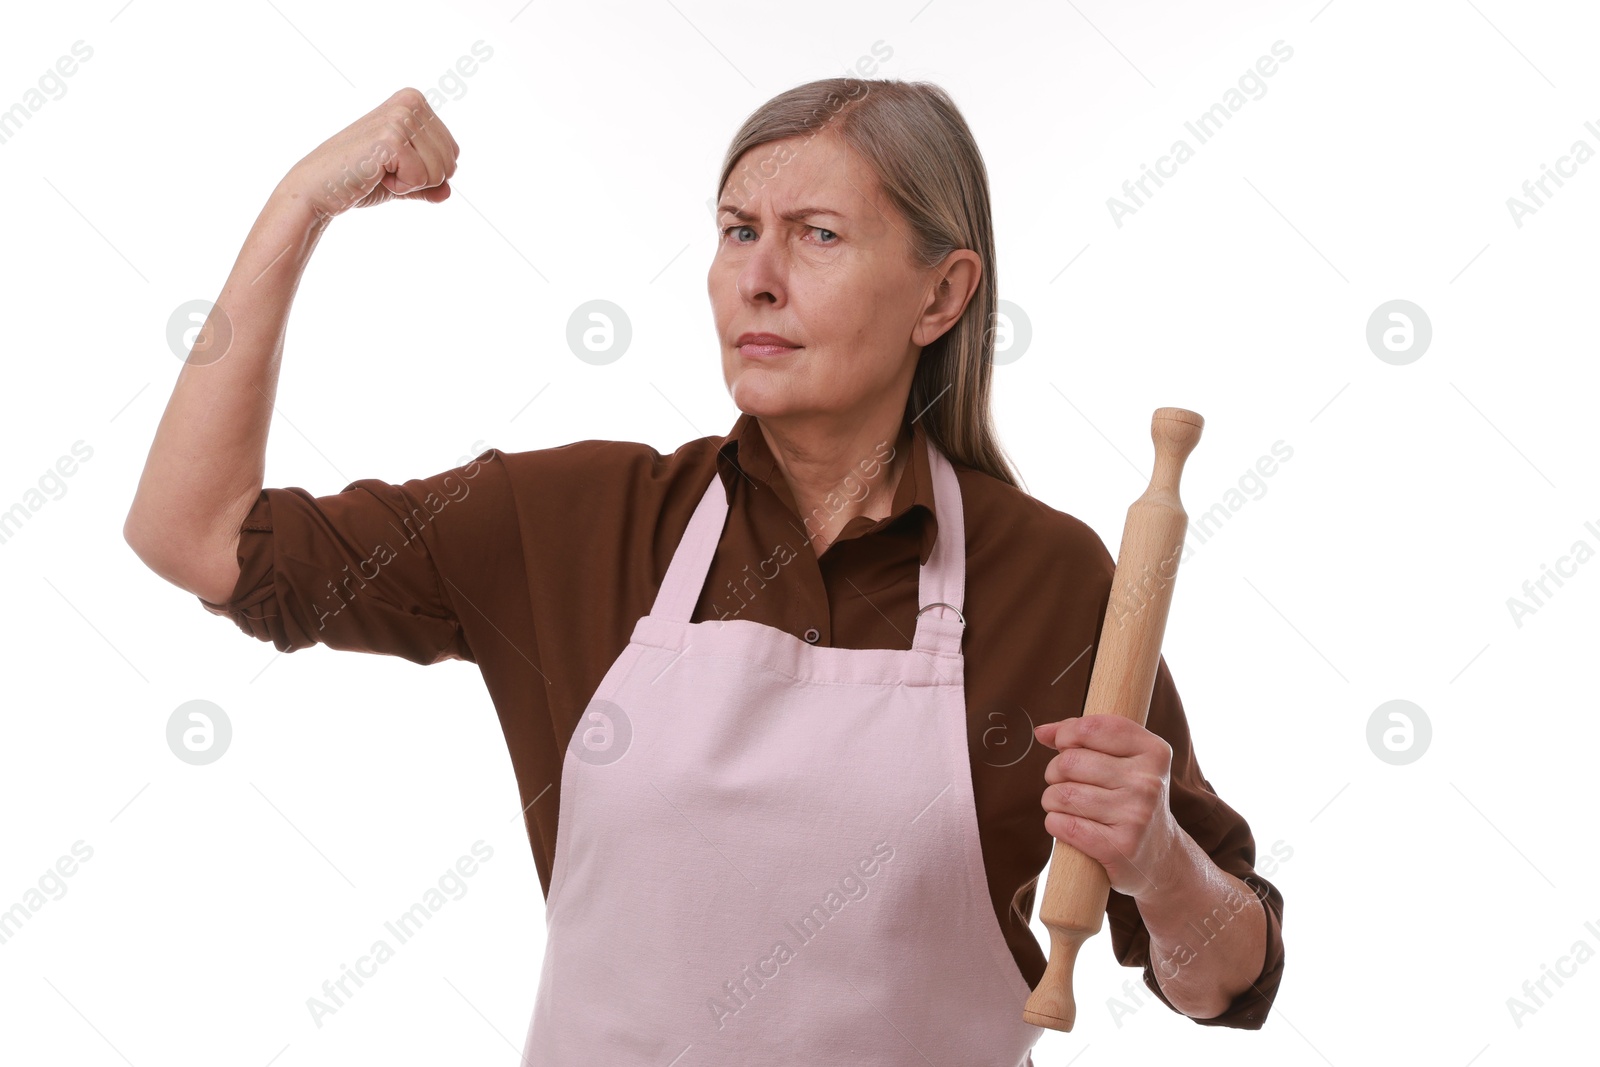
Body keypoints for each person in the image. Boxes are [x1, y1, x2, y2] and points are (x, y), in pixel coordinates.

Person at [124, 78, 1285, 1062]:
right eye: (738, 230)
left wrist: (1161, 862)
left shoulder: (1051, 578)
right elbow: (196, 534)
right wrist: (301, 205)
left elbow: (1225, 980)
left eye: (817, 235)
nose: (757, 278)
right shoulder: (573, 521)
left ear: (942, 292)